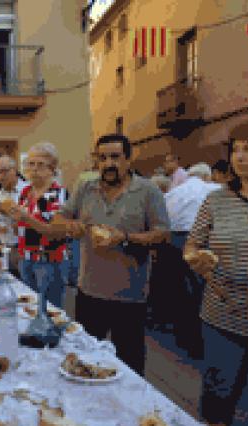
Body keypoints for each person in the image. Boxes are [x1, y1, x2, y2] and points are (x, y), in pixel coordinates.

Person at [184, 121, 248, 426]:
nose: (240, 156)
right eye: (235, 149)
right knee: (216, 403)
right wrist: (195, 258)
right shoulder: (216, 201)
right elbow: (192, 245)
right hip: (221, 318)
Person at [55, 134, 170, 375]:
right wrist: (70, 226)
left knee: (129, 364)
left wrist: (125, 237)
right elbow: (61, 217)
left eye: (115, 157)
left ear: (128, 159)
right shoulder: (86, 188)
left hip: (130, 297)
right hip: (89, 292)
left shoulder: (148, 191)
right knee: (86, 359)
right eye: (102, 158)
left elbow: (162, 234)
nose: (108, 163)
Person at [161, 162, 222, 356]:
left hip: (174, 241)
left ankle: (183, 337)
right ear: (206, 176)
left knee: (180, 292)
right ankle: (201, 342)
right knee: (201, 292)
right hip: (203, 242)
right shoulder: (213, 189)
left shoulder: (175, 192)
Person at [2, 142, 69, 309]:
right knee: (30, 307)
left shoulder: (57, 193)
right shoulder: (25, 192)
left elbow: (55, 233)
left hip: (49, 261)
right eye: (30, 164)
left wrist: (26, 217)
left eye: (40, 164)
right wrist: (14, 221)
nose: (34, 169)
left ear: (52, 168)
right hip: (26, 259)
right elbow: (22, 227)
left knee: (50, 311)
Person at [0, 155, 28, 274]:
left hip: (24, 250)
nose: (0, 177)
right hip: (5, 248)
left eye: (4, 172)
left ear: (14, 169)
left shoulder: (28, 190)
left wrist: (0, 208)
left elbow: (25, 218)